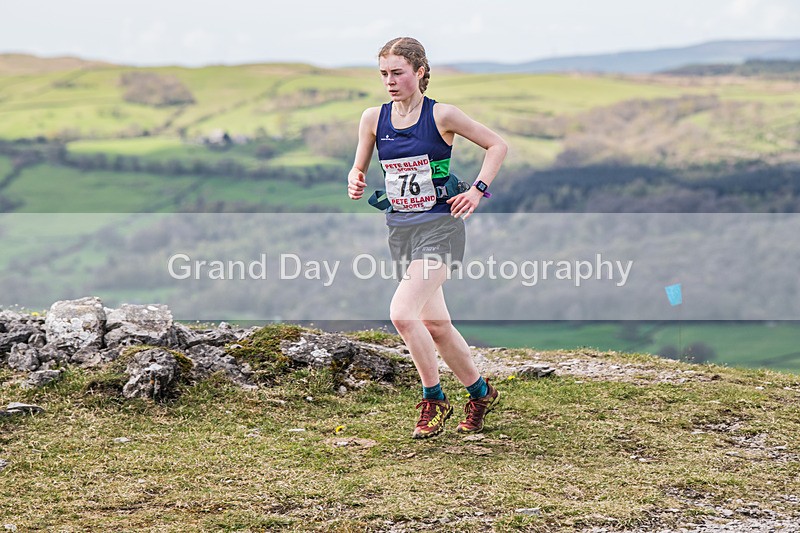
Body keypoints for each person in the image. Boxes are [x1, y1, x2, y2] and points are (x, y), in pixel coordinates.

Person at [347, 37, 508, 439]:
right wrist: (355, 177)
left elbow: (497, 145)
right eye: (384, 73)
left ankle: (433, 398)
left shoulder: (442, 116)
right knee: (435, 324)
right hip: (400, 229)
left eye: (398, 72)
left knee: (403, 314)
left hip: (440, 227)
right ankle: (480, 392)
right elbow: (359, 166)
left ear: (419, 72)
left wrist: (477, 190)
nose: (390, 81)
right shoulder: (373, 118)